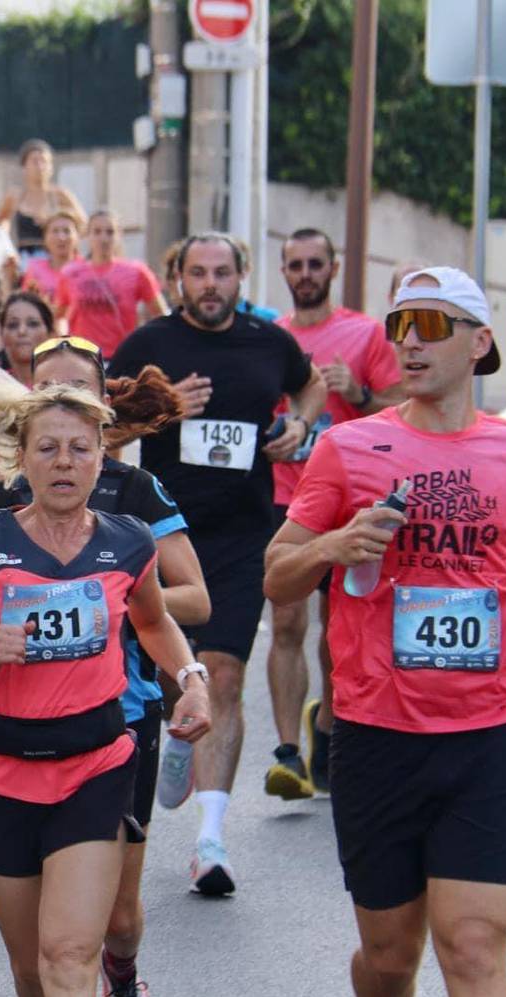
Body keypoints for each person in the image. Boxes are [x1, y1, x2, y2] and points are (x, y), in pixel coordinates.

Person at [263, 266, 506, 997]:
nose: (409, 344)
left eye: (430, 326)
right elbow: (277, 574)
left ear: (479, 340)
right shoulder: (348, 448)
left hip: (489, 731)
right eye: (399, 326)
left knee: (474, 947)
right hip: (376, 730)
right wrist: (334, 547)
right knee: (391, 959)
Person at [0, 384, 211, 997]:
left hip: (95, 765)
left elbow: (152, 621)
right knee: (32, 975)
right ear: (24, 459)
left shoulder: (128, 541)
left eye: (79, 449)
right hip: (4, 772)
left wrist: (191, 680)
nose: (64, 462)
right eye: (48, 448)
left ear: (102, 459)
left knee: (69, 956)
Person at [107, 232, 326, 895]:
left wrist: (301, 426)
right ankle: (182, 731)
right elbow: (102, 421)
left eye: (222, 272)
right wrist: (165, 405)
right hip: (168, 532)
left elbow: (308, 384)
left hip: (241, 536)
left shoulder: (268, 341)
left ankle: (210, 840)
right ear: (177, 279)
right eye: (197, 272)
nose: (210, 284)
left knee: (224, 674)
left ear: (241, 277)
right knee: (180, 674)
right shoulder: (150, 344)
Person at [264, 227, 404, 801]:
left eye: (314, 263)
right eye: (294, 265)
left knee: (335, 634)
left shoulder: (365, 334)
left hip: (349, 503)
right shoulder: (271, 339)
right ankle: (288, 755)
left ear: (333, 267)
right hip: (285, 493)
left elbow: (404, 405)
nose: (305, 274)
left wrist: (362, 395)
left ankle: (324, 723)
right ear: (284, 271)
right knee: (288, 621)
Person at [54, 211, 166, 356]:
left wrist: (147, 343)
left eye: (110, 232)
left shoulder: (136, 272)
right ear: (87, 236)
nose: (103, 238)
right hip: (82, 358)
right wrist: (63, 338)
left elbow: (161, 314)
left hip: (122, 356)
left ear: (118, 236)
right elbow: (58, 316)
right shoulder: (70, 273)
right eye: (97, 232)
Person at [0, 139, 86, 262]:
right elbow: (0, 223)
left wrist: (56, 223)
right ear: (24, 166)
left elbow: (84, 224)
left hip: (54, 258)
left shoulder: (60, 195)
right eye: (35, 161)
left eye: (44, 161)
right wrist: (6, 244)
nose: (40, 167)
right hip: (24, 257)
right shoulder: (15, 196)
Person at [19, 211, 82, 305]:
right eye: (55, 231)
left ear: (77, 237)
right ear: (45, 238)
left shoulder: (86, 269)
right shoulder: (35, 269)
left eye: (67, 231)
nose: (61, 237)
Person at [0, 290, 54, 386]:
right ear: (2, 334)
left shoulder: (65, 387)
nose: (22, 331)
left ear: (50, 334)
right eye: (13, 325)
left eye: (33, 324)